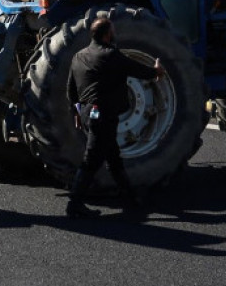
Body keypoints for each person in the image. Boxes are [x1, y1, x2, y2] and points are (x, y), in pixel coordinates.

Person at [64, 14, 164, 217]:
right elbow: (136, 69)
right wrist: (156, 71)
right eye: (113, 32)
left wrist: (76, 112)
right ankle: (74, 204)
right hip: (101, 114)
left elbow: (71, 90)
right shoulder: (111, 55)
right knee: (92, 159)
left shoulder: (78, 56)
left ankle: (130, 196)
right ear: (108, 35)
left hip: (88, 113)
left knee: (112, 155)